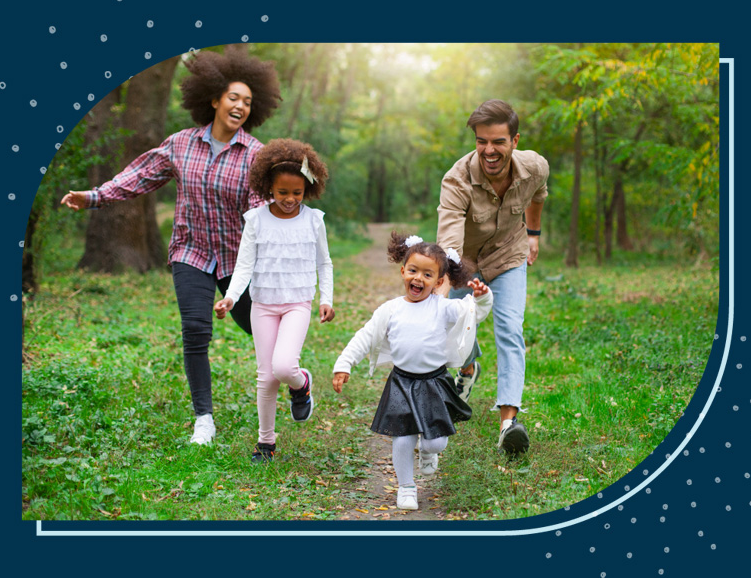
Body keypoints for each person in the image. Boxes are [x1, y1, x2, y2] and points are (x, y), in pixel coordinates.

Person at [60, 47, 282, 445]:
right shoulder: (180, 144)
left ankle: (296, 379)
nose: (240, 106)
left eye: (248, 101)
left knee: (260, 330)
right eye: (233, 97)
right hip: (191, 252)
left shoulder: (256, 156)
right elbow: (140, 176)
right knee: (195, 331)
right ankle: (204, 419)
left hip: (239, 259)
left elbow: (260, 212)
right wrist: (93, 196)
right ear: (213, 99)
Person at [332, 233, 493, 510]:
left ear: (439, 282)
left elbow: (472, 314)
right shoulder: (390, 310)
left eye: (428, 274)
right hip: (402, 384)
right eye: (414, 270)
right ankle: (406, 487)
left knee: (436, 442)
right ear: (403, 271)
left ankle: (429, 453)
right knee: (403, 438)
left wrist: (481, 298)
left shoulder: (442, 308)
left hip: (433, 383)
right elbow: (365, 336)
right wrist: (344, 364)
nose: (418, 278)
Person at [436, 99, 549, 455]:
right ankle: (467, 368)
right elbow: (449, 243)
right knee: (455, 329)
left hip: (509, 255)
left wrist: (533, 234)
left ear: (515, 141)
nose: (489, 149)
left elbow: (538, 196)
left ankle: (508, 424)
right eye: (482, 140)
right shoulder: (456, 181)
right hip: (464, 261)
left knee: (510, 328)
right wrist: (442, 289)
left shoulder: (534, 167)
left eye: (498, 141)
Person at [214, 139, 334, 464]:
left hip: (297, 302)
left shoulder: (314, 220)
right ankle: (265, 443)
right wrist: (230, 298)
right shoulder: (255, 220)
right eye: (282, 192)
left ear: (307, 189)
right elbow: (243, 265)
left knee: (284, 367)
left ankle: (301, 382)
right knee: (266, 376)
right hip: (262, 304)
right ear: (269, 188)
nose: (290, 199)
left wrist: (327, 298)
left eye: (296, 193)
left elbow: (325, 263)